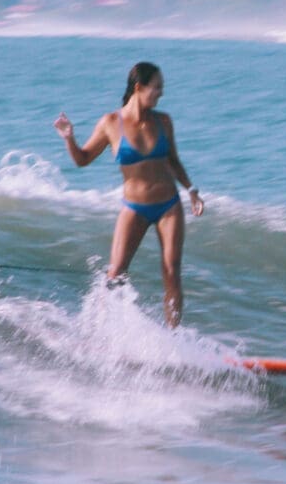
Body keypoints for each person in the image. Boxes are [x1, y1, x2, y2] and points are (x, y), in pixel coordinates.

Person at [54, 62, 204, 327]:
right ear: (139, 87)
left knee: (172, 272)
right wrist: (68, 137)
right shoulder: (111, 123)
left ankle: (174, 337)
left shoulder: (163, 121)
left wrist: (191, 191)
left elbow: (173, 161)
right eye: (157, 88)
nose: (161, 94)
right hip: (134, 207)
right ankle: (101, 333)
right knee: (115, 275)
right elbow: (83, 159)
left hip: (169, 205)